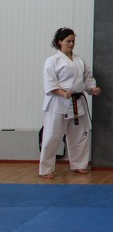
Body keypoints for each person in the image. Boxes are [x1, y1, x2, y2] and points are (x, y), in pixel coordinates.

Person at [39, 28, 101, 179]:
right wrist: (62, 93)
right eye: (68, 41)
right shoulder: (52, 61)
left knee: (80, 135)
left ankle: (79, 164)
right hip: (57, 103)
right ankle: (46, 169)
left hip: (77, 103)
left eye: (73, 41)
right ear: (60, 42)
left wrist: (92, 88)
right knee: (52, 136)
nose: (71, 44)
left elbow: (87, 78)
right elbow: (50, 82)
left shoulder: (79, 60)